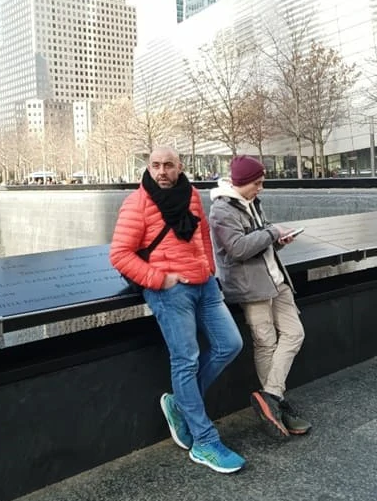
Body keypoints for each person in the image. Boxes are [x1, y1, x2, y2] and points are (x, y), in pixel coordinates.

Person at [110, 145, 245, 474]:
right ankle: (203, 441)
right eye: (155, 165)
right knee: (186, 359)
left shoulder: (193, 196)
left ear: (180, 166)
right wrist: (159, 279)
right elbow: (119, 254)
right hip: (170, 292)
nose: (161, 172)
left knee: (231, 344)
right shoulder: (137, 204)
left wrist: (209, 269)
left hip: (204, 285)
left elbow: (201, 234)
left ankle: (179, 404)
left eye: (168, 165)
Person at [209, 155, 311, 440]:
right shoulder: (221, 211)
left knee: (294, 334)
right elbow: (238, 249)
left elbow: (260, 243)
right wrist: (271, 232)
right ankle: (277, 406)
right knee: (265, 342)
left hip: (276, 280)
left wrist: (277, 241)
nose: (261, 188)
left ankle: (271, 397)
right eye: (258, 182)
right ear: (242, 183)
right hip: (250, 288)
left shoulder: (252, 202)